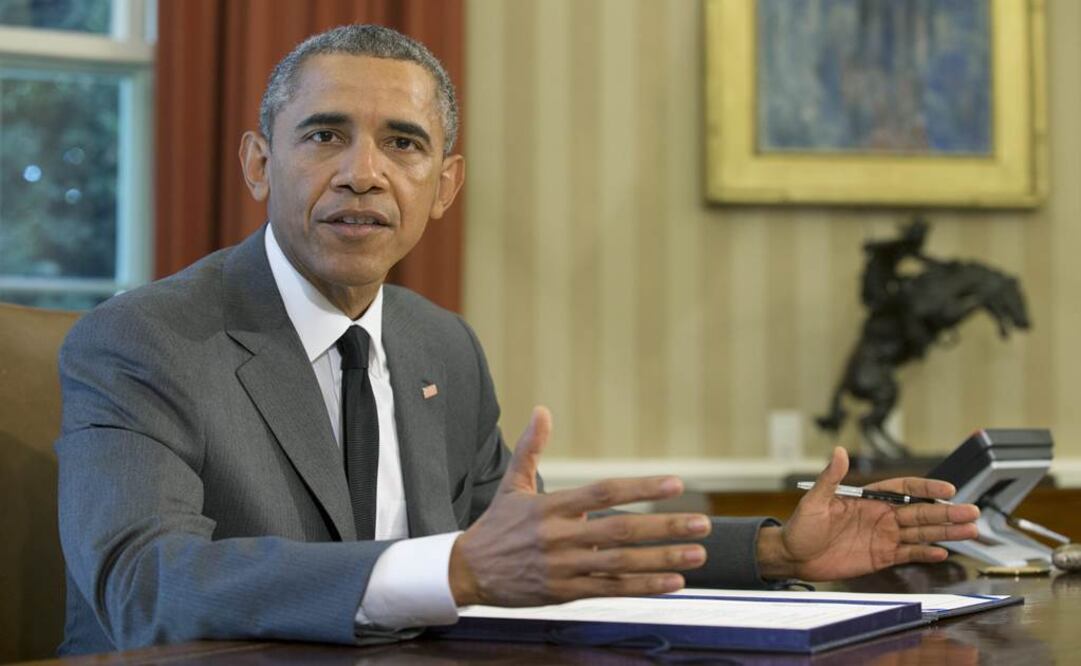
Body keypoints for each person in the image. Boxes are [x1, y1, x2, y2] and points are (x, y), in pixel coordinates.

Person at [55, 24, 980, 656]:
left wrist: (778, 553)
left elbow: (528, 549)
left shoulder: (437, 346)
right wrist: (455, 566)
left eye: (403, 144)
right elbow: (142, 588)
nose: (363, 174)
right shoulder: (144, 338)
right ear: (260, 163)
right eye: (325, 135)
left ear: (444, 184)